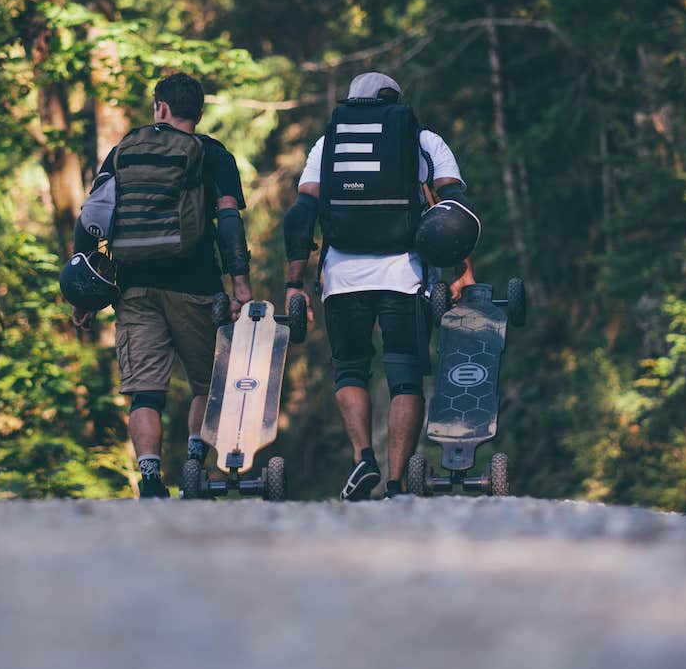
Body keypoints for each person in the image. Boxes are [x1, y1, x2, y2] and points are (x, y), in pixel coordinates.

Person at [282, 71, 475, 500]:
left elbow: (301, 213)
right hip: (404, 274)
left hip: (343, 275)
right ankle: (396, 482)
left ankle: (363, 458)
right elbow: (453, 211)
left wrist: (294, 283)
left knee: (350, 368)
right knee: (405, 375)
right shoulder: (424, 140)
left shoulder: (327, 144)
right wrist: (463, 270)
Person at [67, 72, 253, 499]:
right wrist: (239, 284)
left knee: (145, 392)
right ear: (199, 114)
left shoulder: (122, 153)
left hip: (134, 289)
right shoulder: (213, 154)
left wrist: (86, 293)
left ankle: (150, 479)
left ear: (160, 108)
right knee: (208, 384)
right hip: (197, 286)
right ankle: (194, 468)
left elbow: (91, 219)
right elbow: (228, 222)